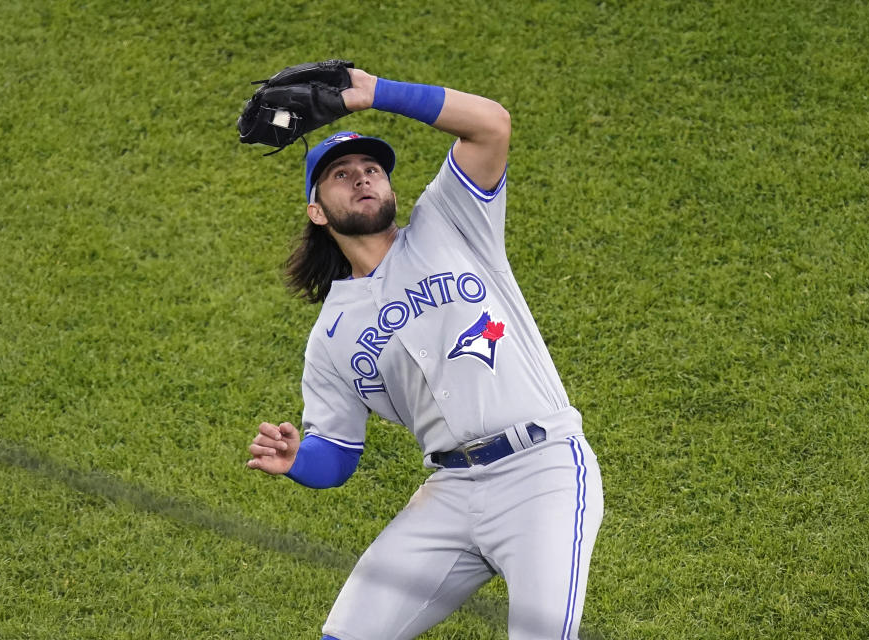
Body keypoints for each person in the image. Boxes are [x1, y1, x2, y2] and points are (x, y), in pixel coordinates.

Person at [246, 66, 604, 640]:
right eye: (341, 175)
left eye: (372, 170)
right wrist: (298, 461)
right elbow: (336, 453)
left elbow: (491, 126)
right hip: (451, 494)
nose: (363, 179)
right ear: (317, 211)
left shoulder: (452, 224)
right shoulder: (331, 337)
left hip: (543, 472)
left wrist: (374, 95)